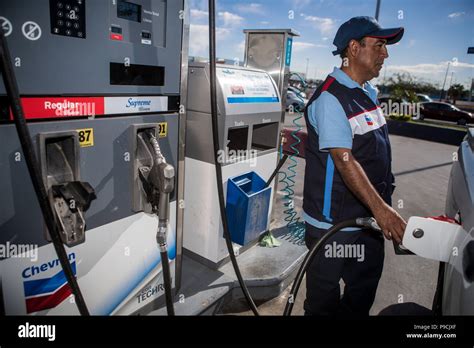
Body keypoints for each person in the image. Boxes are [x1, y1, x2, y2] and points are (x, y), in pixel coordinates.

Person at [302, 16, 407, 315]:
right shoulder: (331, 98)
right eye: (379, 46)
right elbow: (343, 159)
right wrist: (383, 210)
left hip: (369, 222)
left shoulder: (368, 95)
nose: (385, 54)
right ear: (353, 48)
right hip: (334, 226)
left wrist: (380, 208)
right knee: (323, 304)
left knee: (362, 293)